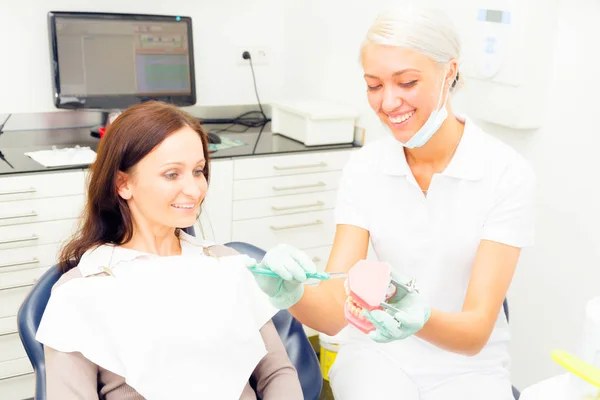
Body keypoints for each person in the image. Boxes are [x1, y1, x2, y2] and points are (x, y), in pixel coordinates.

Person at [250, 6, 536, 400]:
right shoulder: (365, 168)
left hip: (468, 367)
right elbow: (334, 309)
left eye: (407, 82)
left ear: (449, 72)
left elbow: (474, 333)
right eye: (373, 85)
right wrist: (292, 295)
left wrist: (419, 319)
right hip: (378, 355)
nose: (387, 103)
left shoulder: (505, 173)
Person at [35, 101, 304, 400]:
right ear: (123, 183)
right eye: (171, 174)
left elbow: (277, 372)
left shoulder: (225, 264)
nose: (194, 189)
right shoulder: (81, 291)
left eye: (198, 171)